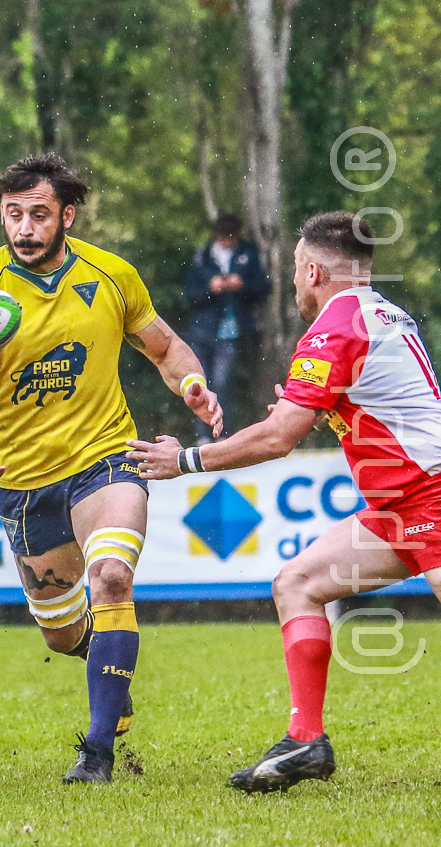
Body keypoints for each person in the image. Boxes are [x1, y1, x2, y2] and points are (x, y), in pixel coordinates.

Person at [129, 211, 441, 794]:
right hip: (400, 506)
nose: (295, 283)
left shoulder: (334, 327)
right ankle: (305, 740)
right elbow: (379, 404)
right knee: (297, 581)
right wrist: (322, 412)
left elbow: (278, 438)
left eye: (296, 270)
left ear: (314, 270)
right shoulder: (381, 313)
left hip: (431, 499)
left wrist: (187, 461)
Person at [0, 154, 222, 784]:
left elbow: (166, 348)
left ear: (66, 215)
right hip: (23, 481)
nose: (24, 228)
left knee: (113, 576)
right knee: (64, 635)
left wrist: (194, 385)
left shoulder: (111, 274)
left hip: (106, 458)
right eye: (13, 214)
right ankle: (109, 684)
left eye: (38, 214)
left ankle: (96, 752)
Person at [184, 214, 271, 441]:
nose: (227, 241)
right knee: (199, 385)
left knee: (222, 383)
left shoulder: (248, 253)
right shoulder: (202, 256)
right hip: (203, 330)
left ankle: (222, 432)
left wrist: (241, 286)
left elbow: (263, 287)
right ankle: (202, 434)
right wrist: (210, 289)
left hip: (232, 331)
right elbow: (189, 295)